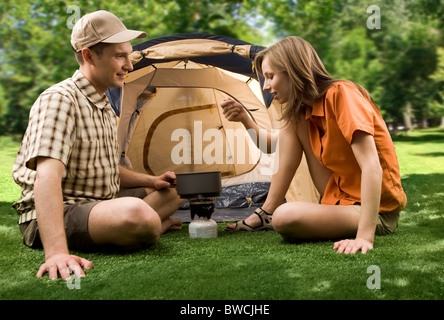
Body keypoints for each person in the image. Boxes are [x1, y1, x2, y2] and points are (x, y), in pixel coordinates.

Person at [12, 10, 184, 280]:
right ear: (89, 55)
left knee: (178, 189)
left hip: (100, 204)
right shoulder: (60, 99)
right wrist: (57, 252)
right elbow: (46, 177)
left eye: (129, 56)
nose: (129, 65)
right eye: (120, 56)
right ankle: (149, 227)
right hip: (59, 212)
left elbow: (106, 169)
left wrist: (151, 181)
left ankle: (140, 227)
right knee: (139, 215)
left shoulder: (105, 106)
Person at [221, 36, 407, 254]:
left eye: (271, 76)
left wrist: (364, 237)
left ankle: (273, 214)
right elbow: (271, 146)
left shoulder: (343, 94)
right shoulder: (302, 111)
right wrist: (245, 118)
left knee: (285, 217)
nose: (266, 86)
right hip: (338, 199)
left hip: (374, 211)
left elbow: (371, 166)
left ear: (293, 70)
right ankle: (266, 212)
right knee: (294, 117)